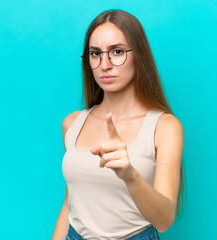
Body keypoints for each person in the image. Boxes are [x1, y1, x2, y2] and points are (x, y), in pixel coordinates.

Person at [52, 9, 185, 240]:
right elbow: (69, 205)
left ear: (139, 55)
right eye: (95, 54)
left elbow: (164, 221)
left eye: (117, 51)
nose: (105, 64)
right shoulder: (71, 124)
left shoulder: (165, 127)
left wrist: (129, 174)